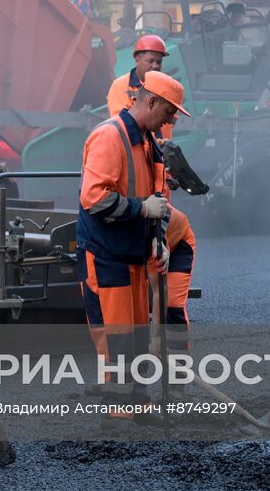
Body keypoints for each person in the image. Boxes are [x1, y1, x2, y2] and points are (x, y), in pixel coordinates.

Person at [77, 72, 189, 416]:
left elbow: (158, 196)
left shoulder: (146, 142)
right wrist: (142, 209)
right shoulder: (110, 137)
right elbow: (94, 199)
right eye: (169, 111)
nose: (172, 120)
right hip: (107, 255)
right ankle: (118, 413)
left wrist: (159, 240)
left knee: (137, 336)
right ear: (151, 101)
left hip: (133, 254)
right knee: (119, 338)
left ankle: (135, 403)